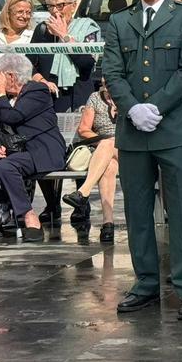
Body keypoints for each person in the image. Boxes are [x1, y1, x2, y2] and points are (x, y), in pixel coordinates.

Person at [102, 0, 182, 321]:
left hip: (173, 126)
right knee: (137, 210)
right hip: (133, 130)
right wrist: (132, 109)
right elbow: (112, 70)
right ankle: (146, 282)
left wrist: (156, 106)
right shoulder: (119, 21)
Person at [0, 54, 64, 243]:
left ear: (10, 76)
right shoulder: (3, 98)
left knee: (5, 167)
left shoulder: (37, 91)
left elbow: (14, 117)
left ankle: (30, 218)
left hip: (41, 151)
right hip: (15, 152)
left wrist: (0, 93)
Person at [27, 0, 100, 224]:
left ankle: (81, 204)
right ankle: (51, 204)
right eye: (51, 7)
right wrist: (38, 77)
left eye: (60, 6)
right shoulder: (41, 30)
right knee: (47, 147)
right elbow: (32, 63)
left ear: (72, 6)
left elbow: (87, 63)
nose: (56, 11)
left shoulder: (88, 28)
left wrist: (65, 36)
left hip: (78, 94)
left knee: (80, 149)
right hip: (50, 96)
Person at [62, 82, 120, 243]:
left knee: (109, 143)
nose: (106, 82)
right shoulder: (95, 98)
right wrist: (102, 139)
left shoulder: (129, 96)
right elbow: (83, 129)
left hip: (127, 149)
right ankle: (108, 224)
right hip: (103, 151)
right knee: (109, 166)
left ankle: (83, 192)